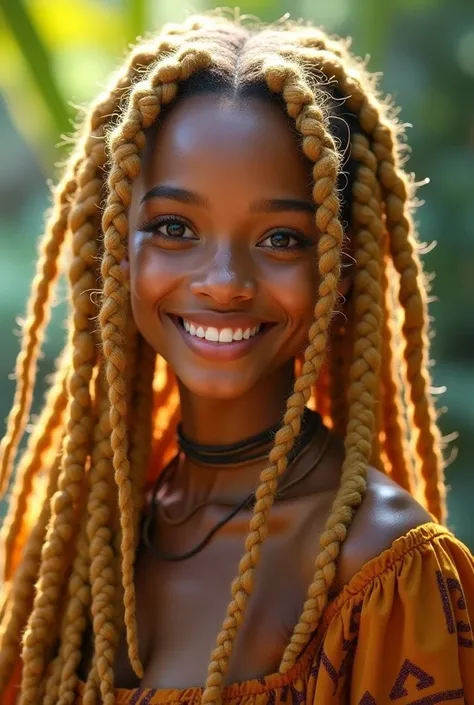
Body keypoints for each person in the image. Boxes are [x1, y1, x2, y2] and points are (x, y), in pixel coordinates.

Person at [0, 10, 472, 705]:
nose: (223, 280)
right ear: (114, 251)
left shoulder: (385, 569)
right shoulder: (77, 557)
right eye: (174, 228)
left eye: (281, 238)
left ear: (339, 267)